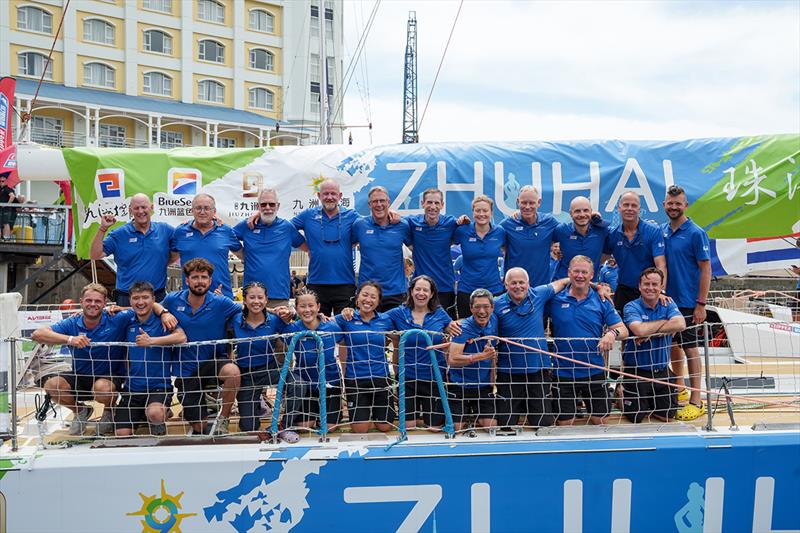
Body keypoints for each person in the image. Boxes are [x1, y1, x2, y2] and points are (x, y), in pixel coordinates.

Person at [31, 283, 130, 435]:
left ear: (105, 303)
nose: (93, 304)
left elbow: (144, 308)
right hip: (80, 375)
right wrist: (70, 339)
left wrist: (123, 308)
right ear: (81, 301)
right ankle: (81, 410)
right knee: (51, 385)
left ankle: (109, 411)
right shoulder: (72, 322)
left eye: (98, 301)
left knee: (102, 388)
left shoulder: (116, 318)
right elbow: (37, 334)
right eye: (88, 300)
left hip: (109, 377)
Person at [161, 258, 242, 435]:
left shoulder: (221, 303)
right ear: (187, 280)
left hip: (213, 362)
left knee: (233, 373)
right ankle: (206, 401)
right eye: (195, 277)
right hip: (187, 369)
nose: (200, 281)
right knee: (200, 427)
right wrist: (163, 313)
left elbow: (250, 310)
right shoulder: (172, 300)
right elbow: (149, 306)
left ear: (210, 281)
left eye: (204, 277)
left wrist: (282, 312)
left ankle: (224, 418)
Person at [547, 256, 628, 426]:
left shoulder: (601, 300)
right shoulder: (555, 299)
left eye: (584, 272)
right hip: (563, 373)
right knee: (565, 424)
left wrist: (611, 334)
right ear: (569, 273)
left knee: (601, 422)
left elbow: (623, 329)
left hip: (594, 371)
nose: (580, 276)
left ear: (592, 275)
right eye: (576, 271)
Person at [492, 268, 574, 428]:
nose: (518, 286)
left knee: (543, 423)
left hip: (538, 370)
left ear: (528, 284)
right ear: (506, 284)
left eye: (522, 282)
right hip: (509, 372)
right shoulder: (495, 304)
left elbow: (565, 281)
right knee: (506, 424)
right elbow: (477, 318)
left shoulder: (539, 294)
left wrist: (597, 286)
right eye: (513, 283)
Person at [662, 185, 711, 421]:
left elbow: (706, 269)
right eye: (670, 203)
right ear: (664, 205)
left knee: (691, 349)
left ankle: (696, 400)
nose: (674, 207)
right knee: (673, 345)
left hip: (689, 302)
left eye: (678, 203)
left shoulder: (696, 233)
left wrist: (701, 303)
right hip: (667, 302)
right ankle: (679, 387)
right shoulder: (662, 231)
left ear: (685, 205)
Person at [115, 281, 186, 437]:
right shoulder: (127, 320)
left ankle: (158, 417)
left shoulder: (163, 321)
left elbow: (182, 337)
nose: (141, 302)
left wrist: (152, 341)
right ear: (130, 300)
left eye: (145, 297)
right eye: (136, 298)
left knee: (154, 414)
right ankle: (143, 414)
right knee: (121, 433)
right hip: (132, 389)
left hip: (158, 387)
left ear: (154, 299)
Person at [385, 275, 454, 430]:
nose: (421, 293)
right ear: (411, 291)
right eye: (417, 289)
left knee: (434, 427)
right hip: (408, 377)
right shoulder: (398, 313)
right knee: (408, 427)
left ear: (431, 294)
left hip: (434, 377)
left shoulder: (440, 313)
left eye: (425, 290)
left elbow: (455, 327)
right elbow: (375, 320)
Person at [621, 268, 686, 423]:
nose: (650, 288)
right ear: (639, 286)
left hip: (662, 371)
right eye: (646, 284)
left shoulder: (668, 303)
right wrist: (665, 323)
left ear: (661, 286)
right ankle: (620, 393)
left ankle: (649, 400)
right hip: (637, 371)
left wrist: (649, 333)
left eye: (655, 284)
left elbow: (681, 324)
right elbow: (639, 329)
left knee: (666, 418)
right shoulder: (631, 306)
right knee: (635, 418)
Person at [281, 288, 345, 442]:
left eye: (311, 306)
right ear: (296, 309)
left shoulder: (331, 326)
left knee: (329, 428)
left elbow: (344, 344)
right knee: (305, 426)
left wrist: (345, 370)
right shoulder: (292, 329)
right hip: (306, 385)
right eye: (302, 306)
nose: (307, 310)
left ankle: (329, 412)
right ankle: (311, 414)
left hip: (330, 382)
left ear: (318, 307)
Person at [290, 179, 361, 316]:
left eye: (333, 194)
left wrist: (390, 213)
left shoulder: (351, 216)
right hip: (317, 283)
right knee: (319, 328)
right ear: (319, 196)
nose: (329, 197)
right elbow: (285, 228)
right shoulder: (308, 215)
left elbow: (369, 225)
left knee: (345, 328)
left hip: (345, 283)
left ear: (340, 196)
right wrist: (305, 247)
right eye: (325, 194)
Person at [228, 282, 290, 433]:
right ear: (244, 300)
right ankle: (256, 408)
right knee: (248, 427)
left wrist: (291, 315)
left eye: (260, 297)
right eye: (252, 297)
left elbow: (293, 330)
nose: (256, 301)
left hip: (270, 367)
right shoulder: (235, 320)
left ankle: (285, 424)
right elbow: (226, 342)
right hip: (246, 373)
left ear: (266, 299)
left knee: (298, 384)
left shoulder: (275, 320)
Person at [90, 194, 174, 305]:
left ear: (151, 208)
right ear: (130, 210)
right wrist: (103, 228)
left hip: (157, 296)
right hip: (127, 297)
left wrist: (162, 263)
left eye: (144, 207)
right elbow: (95, 255)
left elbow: (178, 249)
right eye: (136, 208)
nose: (140, 211)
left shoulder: (165, 230)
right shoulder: (119, 234)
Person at [335, 281, 396, 433]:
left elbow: (399, 339)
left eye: (373, 297)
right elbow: (322, 322)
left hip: (381, 378)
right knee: (360, 430)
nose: (368, 300)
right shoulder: (346, 318)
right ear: (357, 298)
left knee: (385, 427)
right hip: (355, 380)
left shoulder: (386, 320)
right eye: (365, 295)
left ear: (378, 301)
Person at [233, 189, 305, 308]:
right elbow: (226, 237)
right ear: (258, 206)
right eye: (263, 204)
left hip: (279, 296)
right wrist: (241, 254)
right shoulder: (247, 225)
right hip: (252, 296)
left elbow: (307, 249)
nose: (267, 207)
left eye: (271, 204)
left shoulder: (287, 227)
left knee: (278, 327)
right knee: (251, 327)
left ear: (278, 206)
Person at [170, 193, 242, 298]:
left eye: (207, 208)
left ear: (214, 211)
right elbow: (170, 258)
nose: (202, 212)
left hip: (221, 296)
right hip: (191, 299)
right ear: (192, 210)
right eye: (198, 208)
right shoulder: (180, 232)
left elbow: (244, 256)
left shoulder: (225, 231)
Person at [352, 187, 412, 311]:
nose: (379, 205)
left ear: (388, 202)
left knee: (394, 331)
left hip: (395, 293)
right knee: (368, 331)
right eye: (375, 201)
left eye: (382, 201)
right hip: (367, 293)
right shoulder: (359, 225)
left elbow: (416, 250)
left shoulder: (402, 225)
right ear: (369, 204)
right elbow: (344, 248)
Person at [606, 191, 667, 313]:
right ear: (619, 208)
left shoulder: (653, 231)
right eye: (626, 205)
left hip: (648, 291)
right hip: (623, 291)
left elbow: (661, 265)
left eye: (633, 205)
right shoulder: (612, 234)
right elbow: (597, 262)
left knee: (647, 331)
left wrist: (661, 291)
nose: (629, 209)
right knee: (621, 329)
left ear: (639, 209)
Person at [447, 288, 499, 431]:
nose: (482, 311)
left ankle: (472, 416)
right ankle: (465, 417)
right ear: (470, 308)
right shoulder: (462, 328)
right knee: (456, 428)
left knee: (491, 427)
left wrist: (492, 382)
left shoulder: (494, 321)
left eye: (486, 306)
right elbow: (452, 359)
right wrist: (481, 356)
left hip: (482, 386)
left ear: (492, 307)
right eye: (477, 307)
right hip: (459, 385)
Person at [406, 188, 460, 316]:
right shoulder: (412, 222)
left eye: (436, 203)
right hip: (420, 288)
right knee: (419, 326)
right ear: (422, 203)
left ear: (442, 205)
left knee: (447, 330)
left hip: (444, 287)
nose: (433, 207)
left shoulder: (451, 223)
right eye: (429, 202)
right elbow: (393, 220)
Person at [453, 195, 506, 319]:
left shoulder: (500, 232)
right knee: (466, 330)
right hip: (467, 290)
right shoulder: (462, 231)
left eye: (485, 210)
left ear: (491, 212)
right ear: (473, 212)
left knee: (494, 330)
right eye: (478, 210)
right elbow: (445, 243)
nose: (481, 214)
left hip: (494, 290)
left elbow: (509, 252)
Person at [500, 186, 559, 288]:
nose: (527, 207)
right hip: (514, 289)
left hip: (541, 290)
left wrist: (592, 216)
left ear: (539, 202)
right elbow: (487, 235)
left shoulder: (549, 222)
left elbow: (571, 232)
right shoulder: (507, 225)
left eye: (531, 203)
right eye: (523, 203)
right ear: (518, 201)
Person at [553, 196, 611, 281]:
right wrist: (555, 255)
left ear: (591, 212)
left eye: (585, 210)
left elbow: (609, 252)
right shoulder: (561, 230)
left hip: (590, 287)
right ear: (570, 213)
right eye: (577, 211)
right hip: (564, 287)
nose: (582, 214)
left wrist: (596, 261)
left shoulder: (602, 231)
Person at [0, 172, 16, 240]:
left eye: (2, 181)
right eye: (0, 181)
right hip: (2, 208)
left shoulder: (7, 188)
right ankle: (3, 237)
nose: (1, 182)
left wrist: (7, 204)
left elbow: (12, 196)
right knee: (2, 224)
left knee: (6, 223)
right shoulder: (1, 189)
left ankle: (6, 238)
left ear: (6, 181)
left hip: (6, 209)